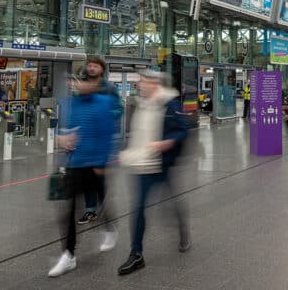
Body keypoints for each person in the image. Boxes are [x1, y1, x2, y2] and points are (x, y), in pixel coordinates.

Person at [118, 71, 192, 275]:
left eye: (145, 81)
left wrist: (167, 142)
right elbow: (135, 133)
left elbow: (183, 130)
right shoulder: (139, 104)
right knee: (139, 207)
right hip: (142, 164)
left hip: (162, 164)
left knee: (169, 204)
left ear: (155, 83)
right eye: (140, 81)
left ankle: (182, 229)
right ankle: (136, 254)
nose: (141, 85)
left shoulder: (170, 104)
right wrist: (129, 151)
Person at [48, 72, 119, 278]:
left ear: (95, 84)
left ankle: (108, 227)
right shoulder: (72, 103)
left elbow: (107, 135)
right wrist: (62, 140)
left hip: (95, 164)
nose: (80, 86)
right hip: (76, 164)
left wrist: (101, 161)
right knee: (68, 209)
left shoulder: (104, 103)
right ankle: (69, 255)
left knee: (100, 200)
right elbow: (67, 130)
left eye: (86, 82)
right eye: (78, 82)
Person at [77, 56, 123, 225]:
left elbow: (119, 108)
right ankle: (91, 210)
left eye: (95, 66)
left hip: (103, 139)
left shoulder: (109, 88)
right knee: (88, 176)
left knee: (99, 176)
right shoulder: (83, 86)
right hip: (85, 139)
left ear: (102, 69)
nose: (91, 68)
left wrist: (104, 117)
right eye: (89, 65)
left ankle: (103, 204)